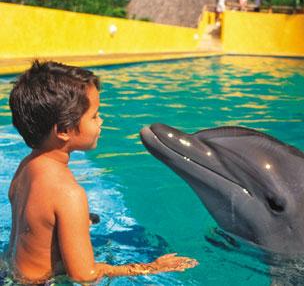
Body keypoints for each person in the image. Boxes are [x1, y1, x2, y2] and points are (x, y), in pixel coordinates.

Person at [7, 61, 198, 284]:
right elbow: (83, 275)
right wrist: (151, 267)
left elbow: (37, 227)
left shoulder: (26, 166)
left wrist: (71, 224)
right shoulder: (69, 194)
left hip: (11, 274)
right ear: (63, 130)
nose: (101, 121)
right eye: (94, 116)